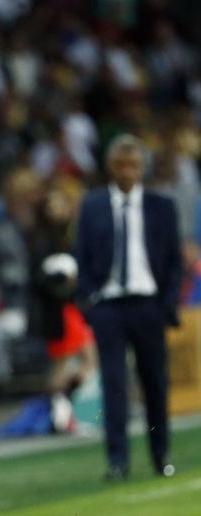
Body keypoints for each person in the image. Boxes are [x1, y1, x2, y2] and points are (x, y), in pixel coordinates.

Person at [76, 134, 182, 481]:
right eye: (121, 165)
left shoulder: (161, 206)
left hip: (148, 305)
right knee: (115, 385)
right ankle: (117, 461)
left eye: (133, 165)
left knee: (155, 384)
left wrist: (166, 304)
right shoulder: (92, 206)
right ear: (110, 167)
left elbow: (173, 261)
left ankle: (160, 453)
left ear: (142, 168)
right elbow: (83, 257)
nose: (127, 172)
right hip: (108, 307)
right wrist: (91, 300)